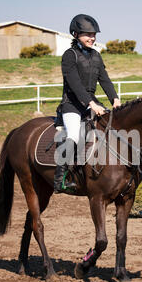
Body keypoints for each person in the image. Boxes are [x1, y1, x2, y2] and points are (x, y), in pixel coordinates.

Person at [54, 14, 121, 194]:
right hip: (72, 105)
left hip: (92, 103)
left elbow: (105, 80)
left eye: (94, 35)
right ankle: (60, 179)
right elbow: (75, 85)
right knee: (74, 136)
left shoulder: (96, 56)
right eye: (87, 34)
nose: (92, 38)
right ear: (76, 34)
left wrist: (114, 98)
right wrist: (91, 103)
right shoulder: (70, 56)